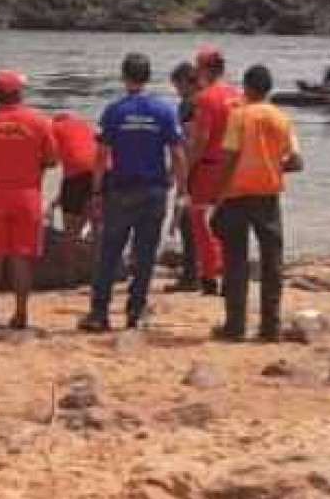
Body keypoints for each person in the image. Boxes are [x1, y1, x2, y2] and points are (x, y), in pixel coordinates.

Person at [79, 52, 185, 332]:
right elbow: (177, 152)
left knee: (109, 253)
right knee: (145, 254)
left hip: (121, 189)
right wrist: (178, 184)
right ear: (148, 77)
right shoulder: (164, 110)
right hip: (153, 190)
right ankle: (135, 313)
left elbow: (101, 155)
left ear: (124, 76)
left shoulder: (115, 110)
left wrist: (96, 191)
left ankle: (99, 313)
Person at [212, 64, 303, 343]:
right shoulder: (281, 118)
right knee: (271, 262)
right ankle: (270, 327)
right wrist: (271, 167)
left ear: (247, 88)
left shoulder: (239, 116)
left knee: (235, 261)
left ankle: (235, 326)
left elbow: (228, 158)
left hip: (238, 195)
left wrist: (219, 192)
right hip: (268, 196)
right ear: (269, 89)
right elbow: (297, 161)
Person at [0, 70, 59, 330]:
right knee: (22, 256)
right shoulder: (39, 121)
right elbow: (52, 159)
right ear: (19, 93)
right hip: (27, 194)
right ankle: (21, 313)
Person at [182, 46, 242, 296]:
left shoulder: (205, 99)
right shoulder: (239, 95)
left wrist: (185, 169)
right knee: (230, 223)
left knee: (200, 222)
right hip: (235, 166)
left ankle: (210, 275)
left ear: (204, 69)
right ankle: (231, 271)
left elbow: (200, 140)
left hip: (208, 166)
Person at [167, 60, 204, 291]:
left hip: (193, 168)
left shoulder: (189, 105)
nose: (176, 91)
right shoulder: (208, 100)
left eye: (177, 86)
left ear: (185, 83)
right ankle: (203, 269)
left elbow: (186, 143)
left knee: (186, 221)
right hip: (212, 167)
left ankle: (191, 275)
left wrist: (176, 174)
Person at [50, 110, 101, 246]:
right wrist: (59, 197)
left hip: (77, 176)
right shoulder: (87, 127)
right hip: (104, 172)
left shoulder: (53, 128)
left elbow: (52, 160)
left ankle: (70, 261)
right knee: (97, 221)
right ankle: (99, 259)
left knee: (71, 230)